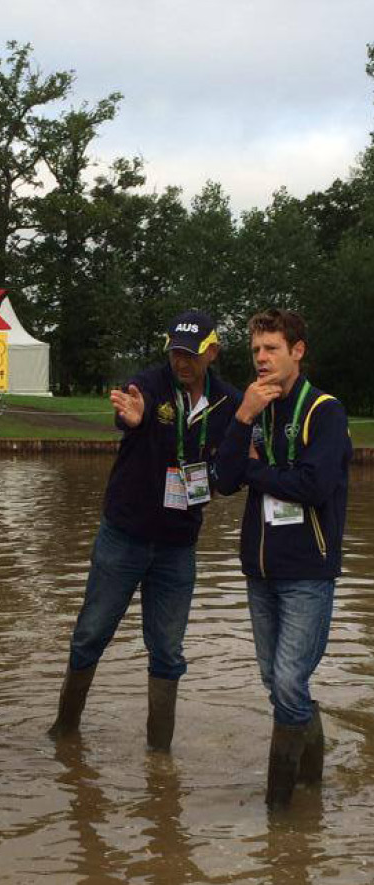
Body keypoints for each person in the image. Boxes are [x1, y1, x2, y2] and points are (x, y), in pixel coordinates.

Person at [49, 309, 241, 748]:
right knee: (91, 633)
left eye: (191, 354)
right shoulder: (151, 384)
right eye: (175, 352)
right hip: (124, 535)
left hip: (178, 546)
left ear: (212, 352)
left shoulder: (228, 403)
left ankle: (159, 754)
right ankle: (65, 730)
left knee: (168, 651)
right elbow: (132, 407)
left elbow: (231, 464)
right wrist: (132, 417)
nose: (181, 362)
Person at [214, 308, 352, 808]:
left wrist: (258, 473)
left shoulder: (325, 411)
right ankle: (311, 782)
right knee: (277, 682)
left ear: (297, 351)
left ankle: (280, 807)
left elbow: (315, 486)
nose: (261, 358)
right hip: (260, 569)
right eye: (255, 350)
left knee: (290, 681)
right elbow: (223, 479)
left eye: (271, 348)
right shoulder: (254, 409)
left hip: (307, 570)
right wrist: (243, 416)